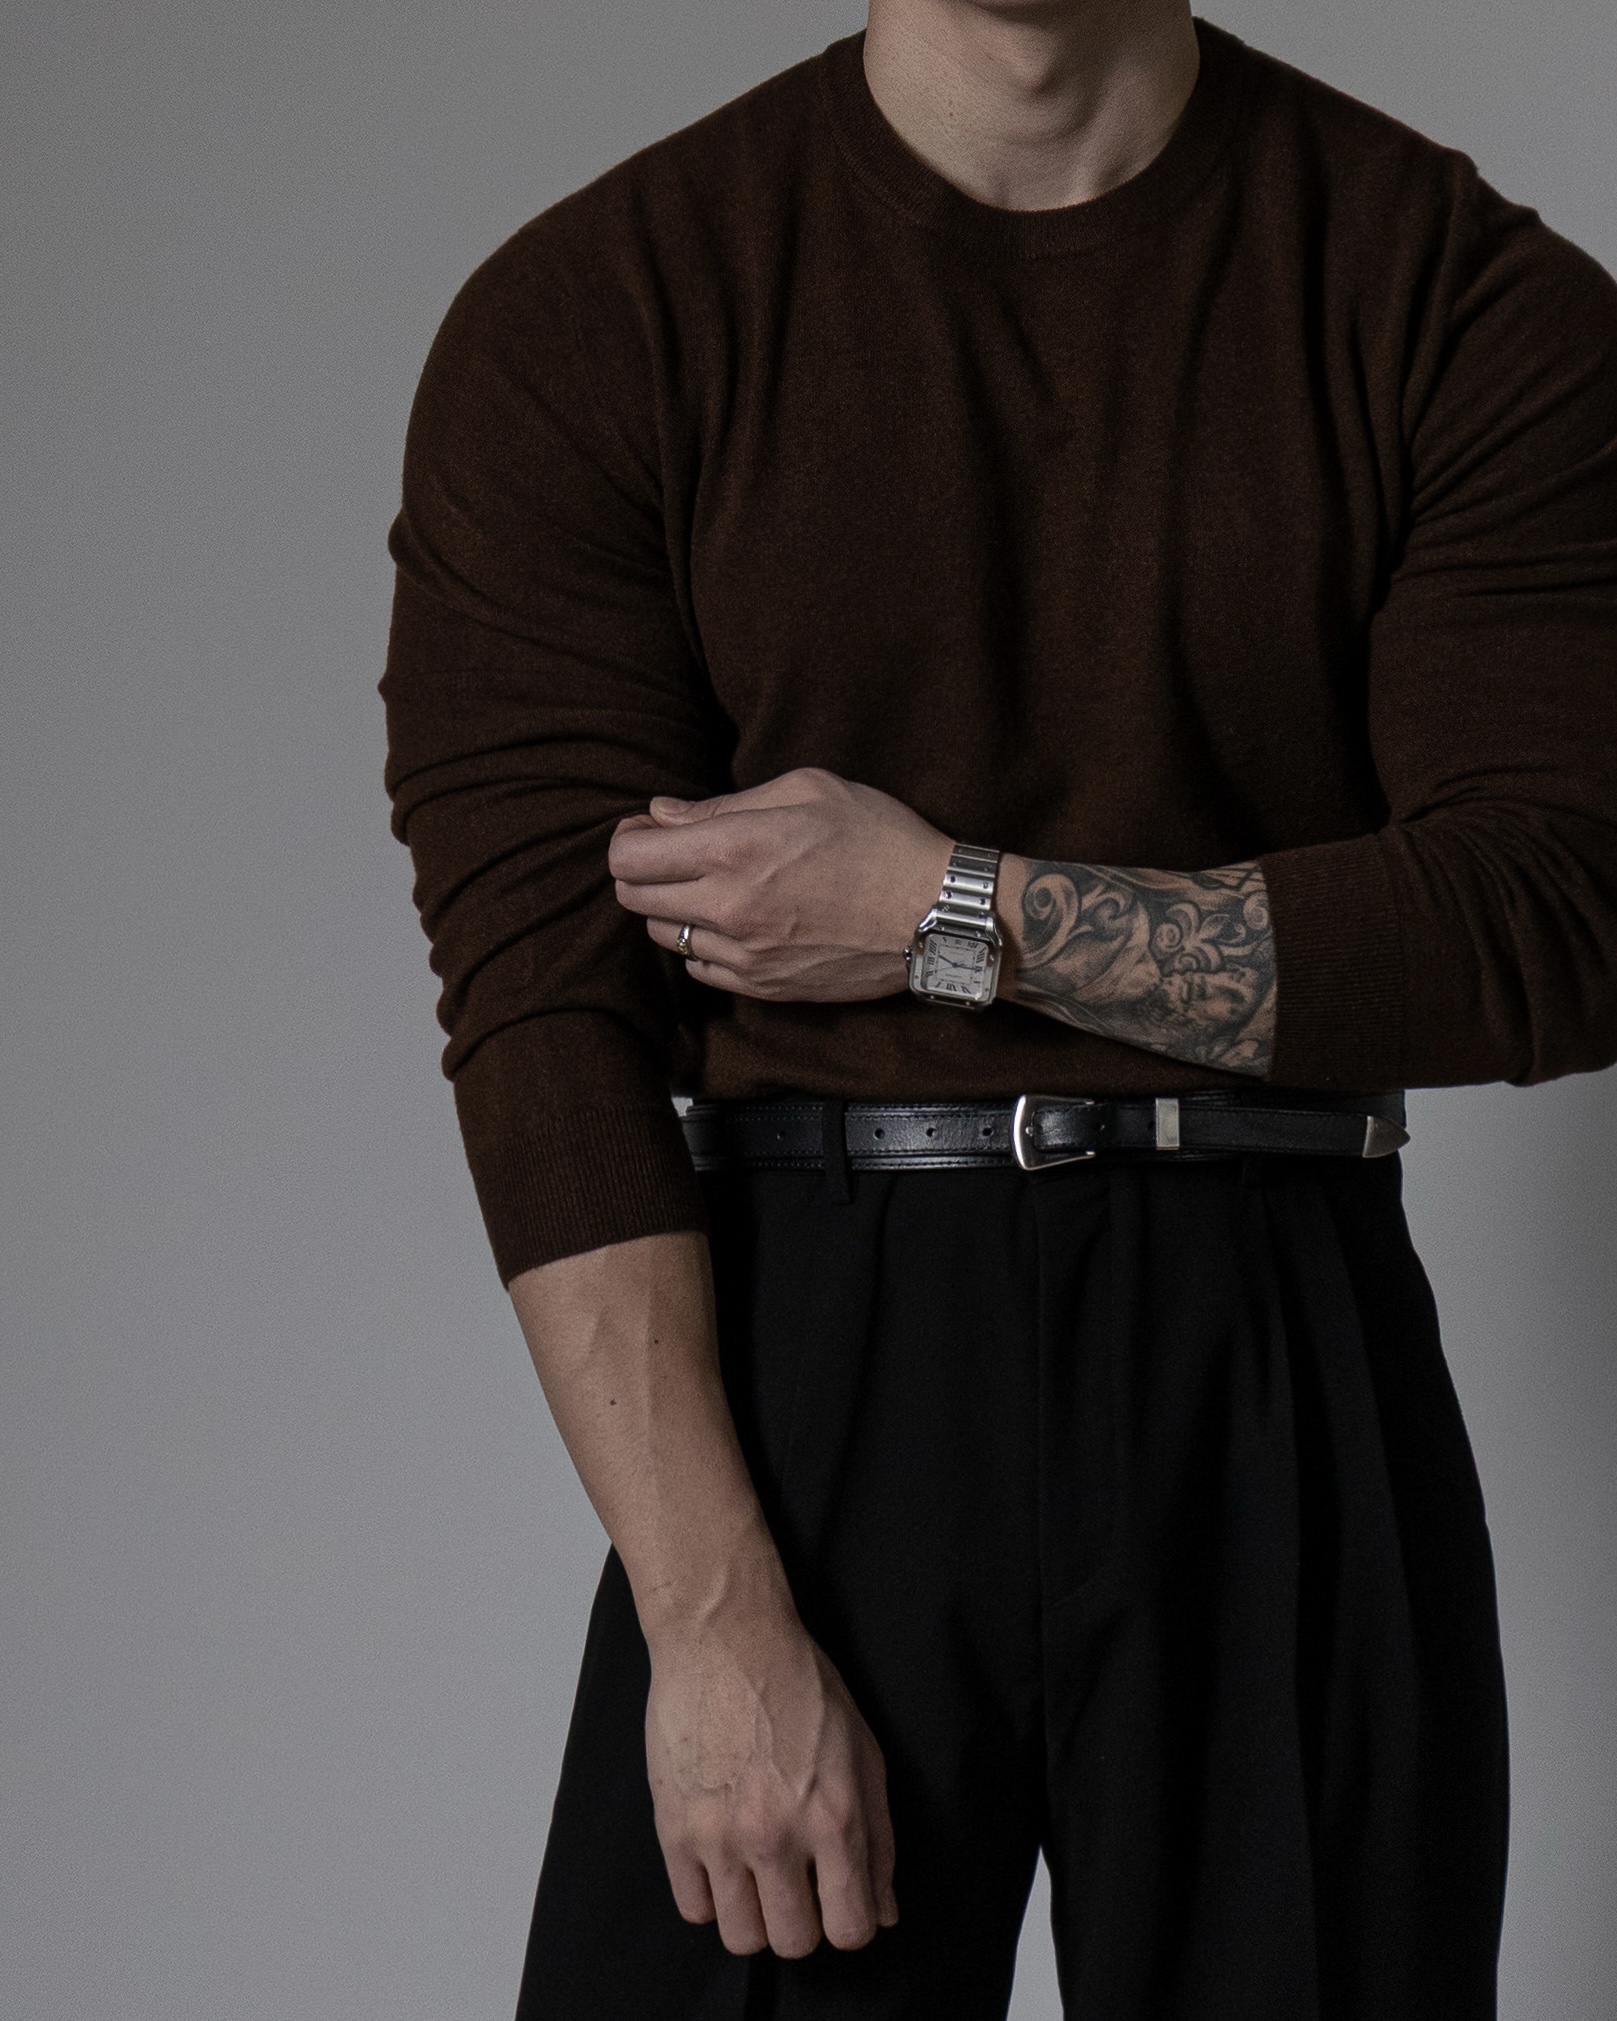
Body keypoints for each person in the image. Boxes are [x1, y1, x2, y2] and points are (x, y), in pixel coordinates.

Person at [381, 1, 1617, 2013]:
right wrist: (710, 1617)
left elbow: (1552, 916)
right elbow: (547, 1024)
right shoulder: (601, 312)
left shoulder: (1452, 294)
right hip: (810, 1363)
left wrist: (950, 913)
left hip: (1276, 1328)